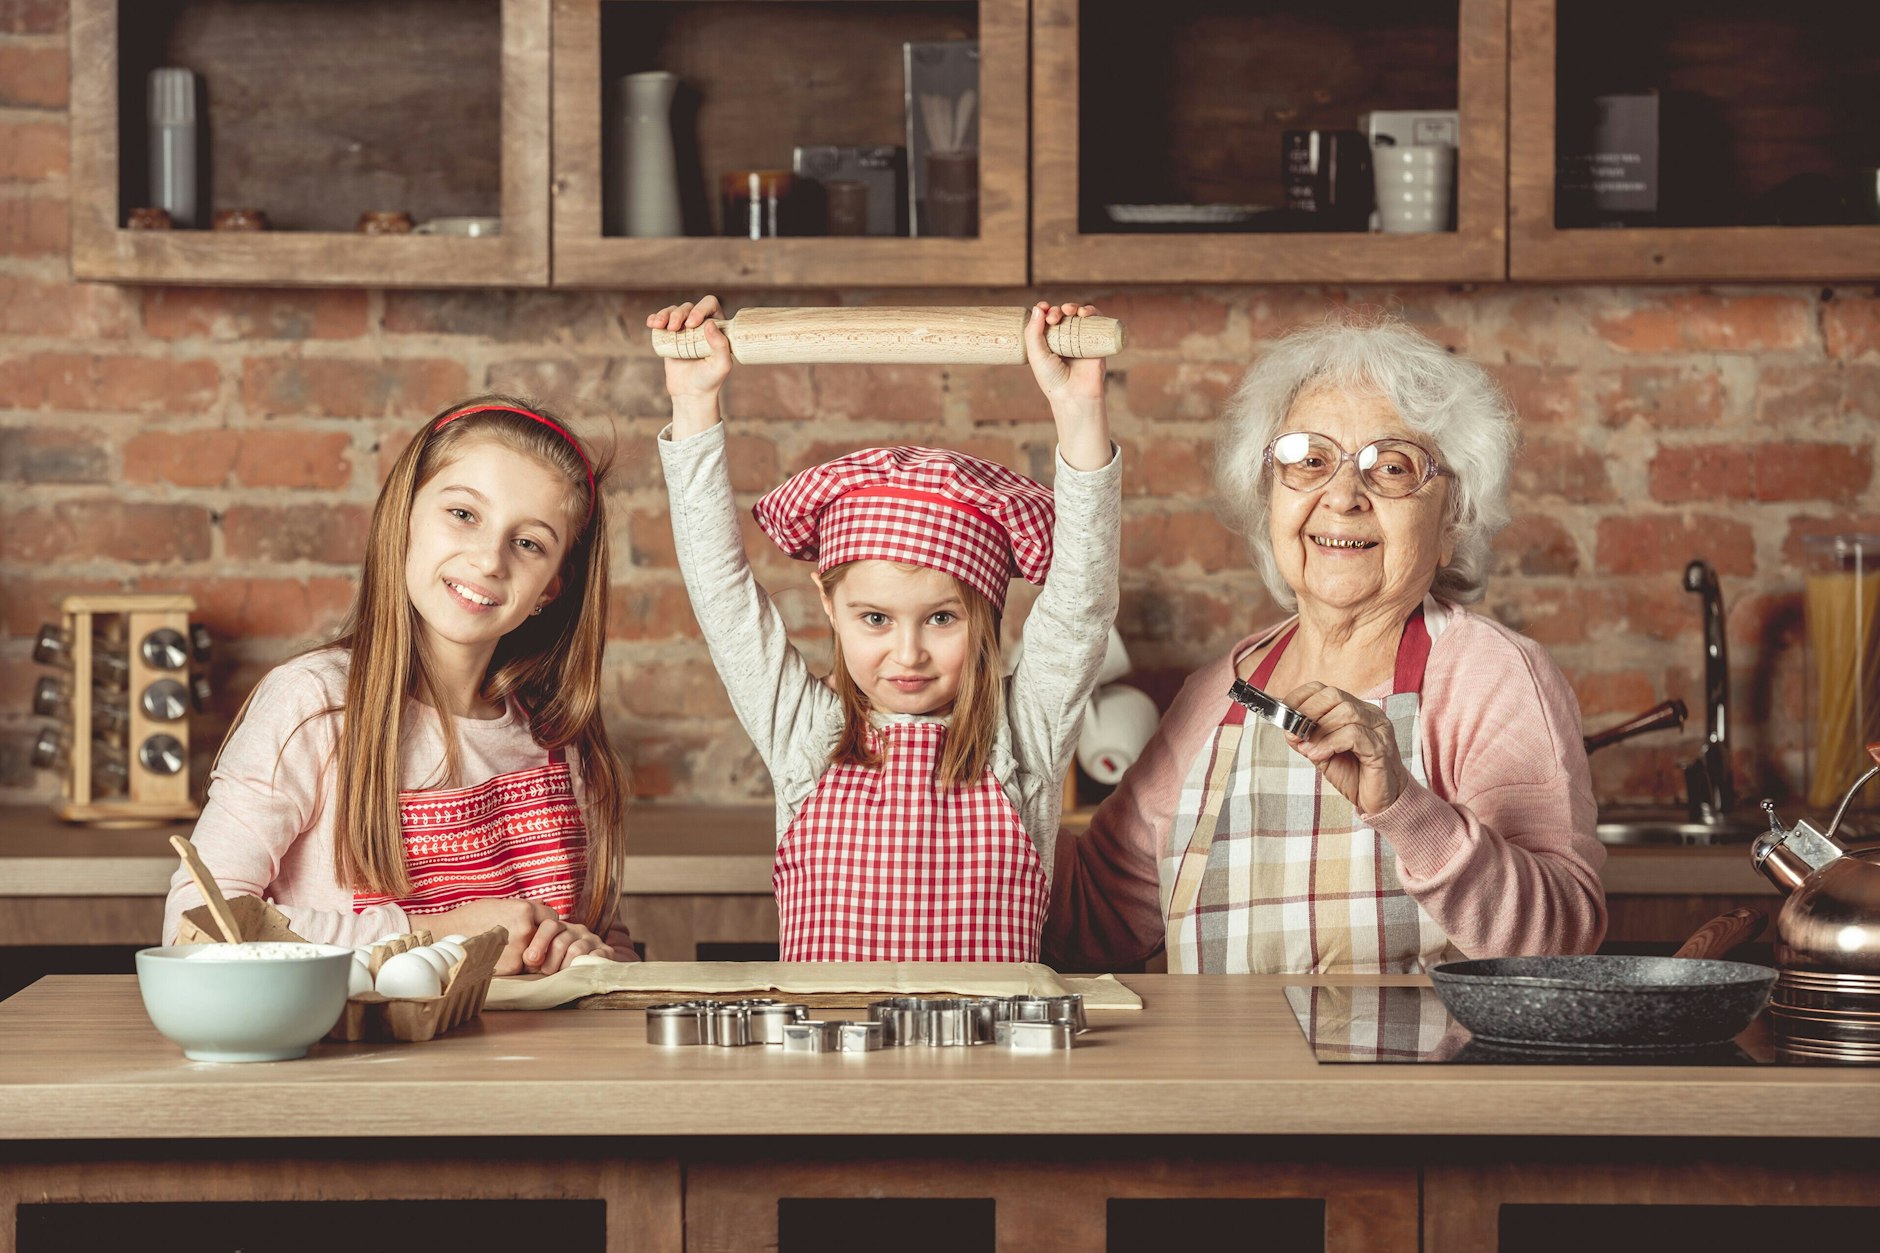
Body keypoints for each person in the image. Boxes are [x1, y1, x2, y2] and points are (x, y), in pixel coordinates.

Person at [1045, 313, 1606, 974]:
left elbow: (1561, 944)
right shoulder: (1217, 695)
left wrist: (1405, 808)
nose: (1342, 495)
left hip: (1423, 1076)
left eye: (1392, 467)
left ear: (1452, 519)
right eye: (1308, 460)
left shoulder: (1488, 676)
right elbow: (1092, 923)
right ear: (1269, 498)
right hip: (1226, 1079)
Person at [650, 295, 1120, 962]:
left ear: (986, 615)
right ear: (828, 603)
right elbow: (720, 590)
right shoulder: (803, 732)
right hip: (828, 1066)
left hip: (993, 1067)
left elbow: (1082, 600)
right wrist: (694, 407)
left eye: (941, 618)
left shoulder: (1023, 734)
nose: (908, 652)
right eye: (875, 618)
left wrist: (1079, 409)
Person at [163, 397, 632, 974]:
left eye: (529, 542)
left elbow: (611, 942)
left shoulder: (559, 736)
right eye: (463, 514)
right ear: (403, 517)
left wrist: (594, 955)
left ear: (551, 588)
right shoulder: (311, 704)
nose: (489, 560)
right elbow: (197, 927)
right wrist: (434, 934)